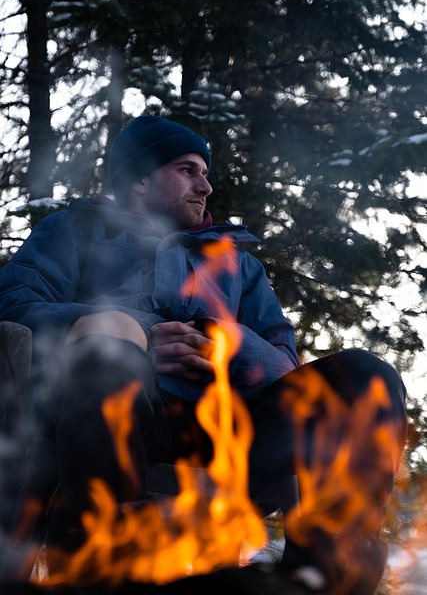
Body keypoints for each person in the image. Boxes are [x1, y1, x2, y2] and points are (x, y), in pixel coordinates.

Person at [0, 114, 407, 593]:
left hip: (229, 430)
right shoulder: (76, 231)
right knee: (112, 338)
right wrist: (135, 334)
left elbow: (282, 360)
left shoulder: (238, 265)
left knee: (366, 376)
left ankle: (327, 570)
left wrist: (224, 341)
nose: (206, 186)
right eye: (188, 170)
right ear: (140, 179)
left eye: (206, 173)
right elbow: (16, 305)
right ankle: (114, 557)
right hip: (116, 414)